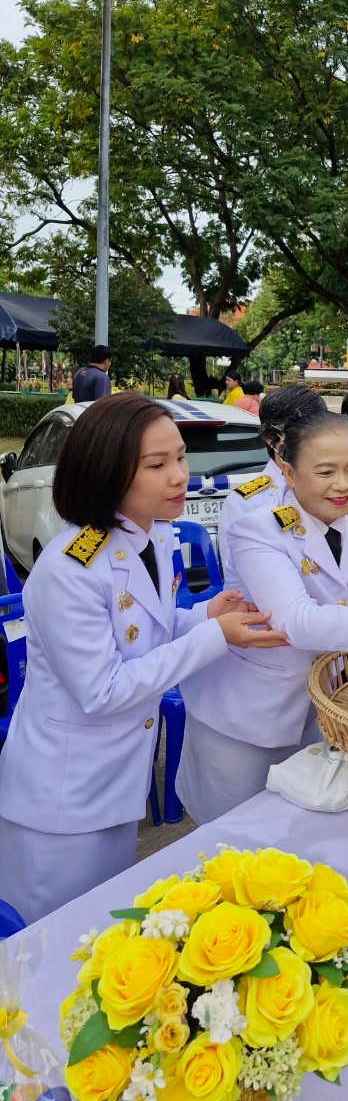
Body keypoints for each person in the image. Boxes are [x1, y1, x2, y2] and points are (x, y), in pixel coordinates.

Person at [0, 394, 287, 924]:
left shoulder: (150, 536)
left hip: (115, 782)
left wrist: (202, 617)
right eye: (157, 465)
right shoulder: (71, 568)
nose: (180, 475)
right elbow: (102, 689)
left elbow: (142, 633)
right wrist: (214, 638)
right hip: (65, 799)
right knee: (50, 947)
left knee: (98, 932)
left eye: (180, 457)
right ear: (106, 472)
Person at [177, 410, 348, 824]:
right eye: (326, 471)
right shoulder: (259, 528)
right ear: (289, 473)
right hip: (247, 714)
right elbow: (292, 619)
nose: (343, 484)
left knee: (297, 826)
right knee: (230, 833)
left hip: (317, 705)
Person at [207, 385, 328, 601]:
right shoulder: (246, 503)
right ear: (271, 439)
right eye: (303, 435)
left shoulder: (332, 489)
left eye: (321, 433)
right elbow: (244, 591)